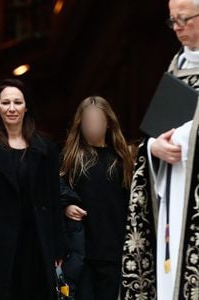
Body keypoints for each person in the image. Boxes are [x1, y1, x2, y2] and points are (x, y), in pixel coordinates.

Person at [121, 0, 199, 299]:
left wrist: (185, 139)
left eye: (184, 19)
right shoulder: (175, 67)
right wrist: (153, 146)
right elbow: (156, 134)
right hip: (174, 200)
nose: (177, 28)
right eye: (172, 21)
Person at [0, 78, 64, 300]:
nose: (12, 108)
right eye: (6, 103)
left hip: (36, 241)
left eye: (17, 102)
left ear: (26, 106)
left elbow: (53, 199)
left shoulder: (46, 149)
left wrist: (58, 246)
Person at [60, 96, 133, 300]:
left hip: (114, 251)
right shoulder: (70, 159)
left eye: (97, 120)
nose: (92, 126)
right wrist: (66, 206)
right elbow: (54, 191)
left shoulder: (121, 160)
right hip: (82, 254)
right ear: (79, 124)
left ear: (108, 122)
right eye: (87, 122)